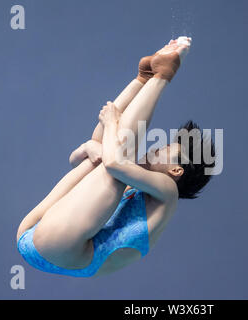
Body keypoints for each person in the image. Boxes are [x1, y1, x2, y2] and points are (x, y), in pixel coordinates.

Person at [16, 37, 215, 277]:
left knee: (119, 157)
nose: (156, 148)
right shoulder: (135, 184)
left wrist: (111, 123)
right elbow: (92, 154)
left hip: (62, 247)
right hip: (39, 234)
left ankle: (163, 75)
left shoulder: (168, 191)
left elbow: (113, 162)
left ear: (176, 171)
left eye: (165, 150)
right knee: (108, 152)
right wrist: (90, 146)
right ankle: (144, 78)